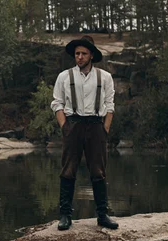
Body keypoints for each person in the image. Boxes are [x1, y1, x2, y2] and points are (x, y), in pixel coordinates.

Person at [50, 35, 118, 231]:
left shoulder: (105, 77)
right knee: (68, 170)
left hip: (97, 125)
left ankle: (102, 215)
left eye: (83, 54)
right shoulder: (64, 76)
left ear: (91, 56)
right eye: (77, 53)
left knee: (98, 171)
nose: (79, 57)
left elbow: (110, 106)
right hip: (74, 124)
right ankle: (65, 215)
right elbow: (57, 103)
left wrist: (105, 129)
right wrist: (65, 127)